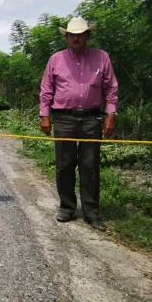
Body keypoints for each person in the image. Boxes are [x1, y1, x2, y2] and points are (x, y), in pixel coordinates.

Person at [39, 17, 118, 231]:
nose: (76, 38)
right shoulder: (56, 59)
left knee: (90, 165)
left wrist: (111, 114)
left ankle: (91, 212)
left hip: (92, 118)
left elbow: (111, 88)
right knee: (64, 165)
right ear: (66, 37)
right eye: (72, 35)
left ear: (87, 36)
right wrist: (44, 115)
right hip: (63, 118)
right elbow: (46, 89)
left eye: (80, 34)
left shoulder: (102, 57)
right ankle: (67, 207)